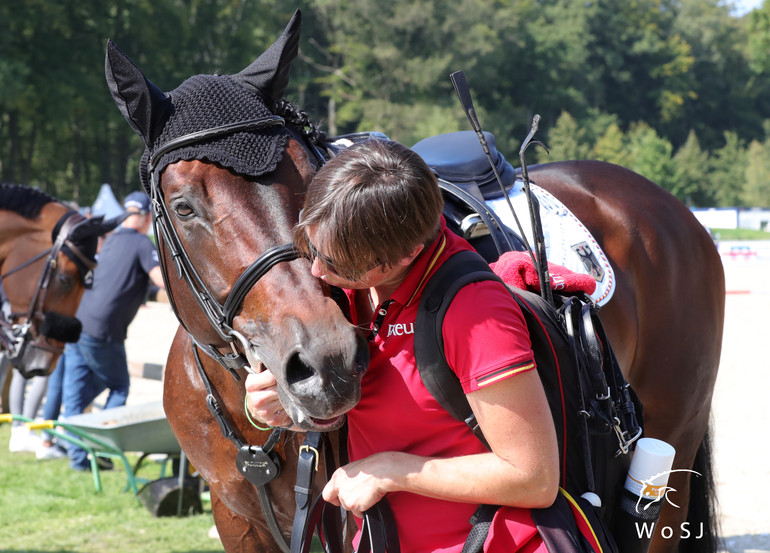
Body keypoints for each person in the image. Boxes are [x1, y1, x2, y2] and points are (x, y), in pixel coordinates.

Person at [245, 140, 560, 553]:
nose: (318, 270)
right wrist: (274, 403)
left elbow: (533, 477)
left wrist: (392, 470)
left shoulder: (475, 314)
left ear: (409, 253)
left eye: (338, 263)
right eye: (311, 249)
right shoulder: (343, 282)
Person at [57, 190, 165, 471]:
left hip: (78, 322)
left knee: (75, 396)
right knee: (119, 386)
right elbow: (162, 281)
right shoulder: (143, 244)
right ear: (145, 218)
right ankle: (101, 451)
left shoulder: (112, 240)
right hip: (103, 331)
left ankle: (79, 460)